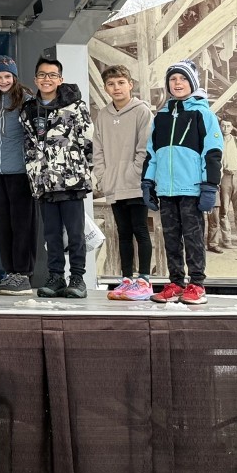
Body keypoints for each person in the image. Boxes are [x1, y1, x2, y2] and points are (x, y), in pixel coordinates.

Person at [143, 61, 222, 305]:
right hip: (166, 190)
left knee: (193, 238)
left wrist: (209, 186)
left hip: (192, 189)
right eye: (173, 79)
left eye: (183, 79)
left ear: (193, 83)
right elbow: (152, 153)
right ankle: (176, 283)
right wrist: (148, 182)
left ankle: (197, 284)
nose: (178, 83)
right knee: (171, 239)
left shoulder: (203, 114)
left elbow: (213, 152)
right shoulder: (161, 116)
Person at [21, 57, 94, 299]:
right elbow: (28, 147)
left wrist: (85, 172)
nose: (47, 79)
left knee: (75, 233)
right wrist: (34, 175)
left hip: (71, 181)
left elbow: (88, 141)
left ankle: (77, 278)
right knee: (51, 234)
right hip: (44, 182)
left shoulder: (75, 106)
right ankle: (56, 277)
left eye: (52, 75)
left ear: (60, 79)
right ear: (35, 80)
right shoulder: (28, 110)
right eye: (42, 75)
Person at [92, 64, 154, 301]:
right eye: (111, 84)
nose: (116, 88)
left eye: (120, 83)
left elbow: (145, 147)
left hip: (135, 184)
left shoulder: (142, 111)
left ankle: (144, 280)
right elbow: (97, 148)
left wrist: (135, 173)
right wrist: (102, 175)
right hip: (113, 184)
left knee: (140, 230)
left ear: (130, 85)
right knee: (123, 232)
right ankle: (126, 279)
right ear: (105, 88)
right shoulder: (103, 115)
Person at [0, 55, 38, 296]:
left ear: (15, 77)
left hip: (20, 172)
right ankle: (10, 272)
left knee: (22, 224)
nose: (3, 81)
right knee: (4, 225)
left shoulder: (27, 100)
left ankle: (23, 273)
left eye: (7, 76)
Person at [216, 118, 237, 248]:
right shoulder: (217, 140)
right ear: (220, 127)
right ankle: (226, 239)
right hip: (225, 177)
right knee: (224, 210)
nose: (226, 128)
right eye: (223, 126)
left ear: (232, 127)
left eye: (228, 126)